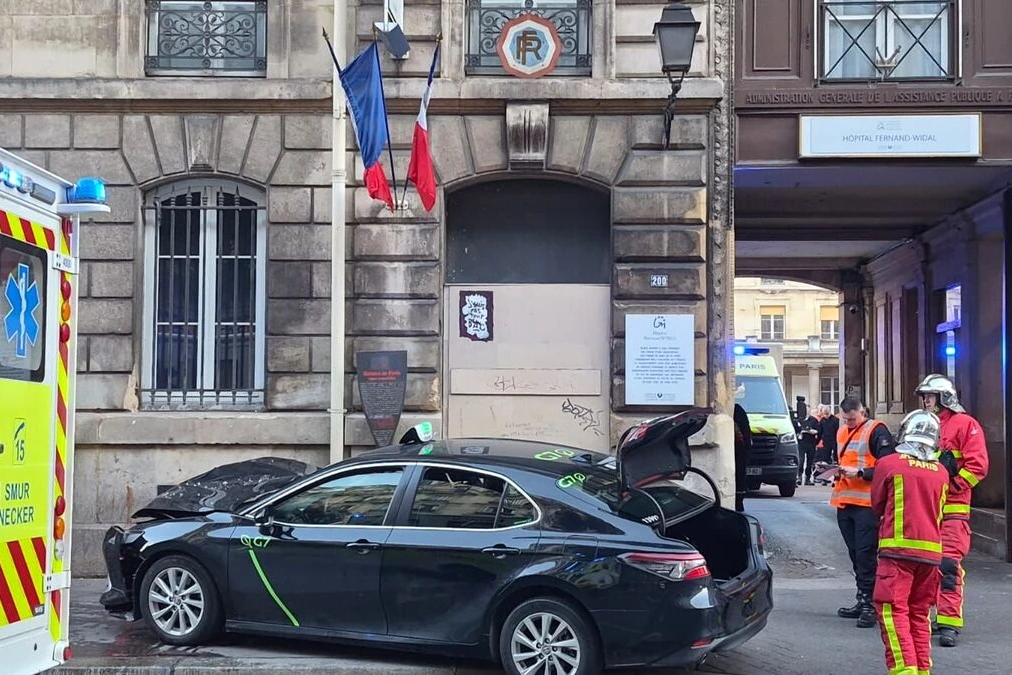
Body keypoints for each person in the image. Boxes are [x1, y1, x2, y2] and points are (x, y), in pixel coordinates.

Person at [870, 410, 949, 675]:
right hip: (931, 556)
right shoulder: (941, 472)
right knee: (919, 615)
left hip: (897, 552)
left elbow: (877, 505)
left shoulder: (890, 464)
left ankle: (904, 671)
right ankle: (922, 670)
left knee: (893, 613)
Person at [914, 374, 989, 648]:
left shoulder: (965, 425)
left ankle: (948, 622)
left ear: (944, 398)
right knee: (925, 565)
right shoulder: (922, 424)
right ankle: (929, 616)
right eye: (924, 396)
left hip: (953, 510)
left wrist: (953, 484)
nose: (925, 401)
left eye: (930, 396)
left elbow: (978, 466)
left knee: (948, 565)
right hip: (925, 508)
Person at [831, 396, 896, 628]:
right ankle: (863, 598)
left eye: (852, 418)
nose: (849, 423)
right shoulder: (841, 432)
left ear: (863, 413)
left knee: (865, 554)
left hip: (867, 504)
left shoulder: (876, 430)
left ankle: (871, 604)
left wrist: (859, 472)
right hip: (845, 502)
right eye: (846, 419)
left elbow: (888, 464)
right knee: (855, 554)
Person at [733, 403, 753, 513]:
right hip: (739, 451)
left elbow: (745, 434)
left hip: (739, 450)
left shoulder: (736, 410)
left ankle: (738, 502)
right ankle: (738, 503)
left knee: (739, 476)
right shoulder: (737, 410)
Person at [797, 407, 820, 486]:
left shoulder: (814, 420)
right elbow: (796, 430)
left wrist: (809, 431)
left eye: (808, 410)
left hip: (811, 443)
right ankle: (799, 477)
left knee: (810, 462)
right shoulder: (799, 420)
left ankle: (808, 478)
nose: (806, 412)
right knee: (801, 460)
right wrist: (802, 431)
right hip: (801, 443)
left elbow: (817, 431)